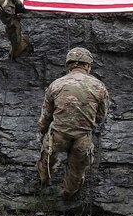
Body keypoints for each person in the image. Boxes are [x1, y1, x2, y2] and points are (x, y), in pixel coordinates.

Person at [38, 47, 110, 199]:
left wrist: (43, 131)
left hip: (58, 135)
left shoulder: (56, 85)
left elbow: (46, 116)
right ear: (87, 65)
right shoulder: (99, 86)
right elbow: (101, 116)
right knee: (77, 169)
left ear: (69, 65)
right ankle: (68, 194)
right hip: (82, 137)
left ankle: (44, 179)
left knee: (48, 157)